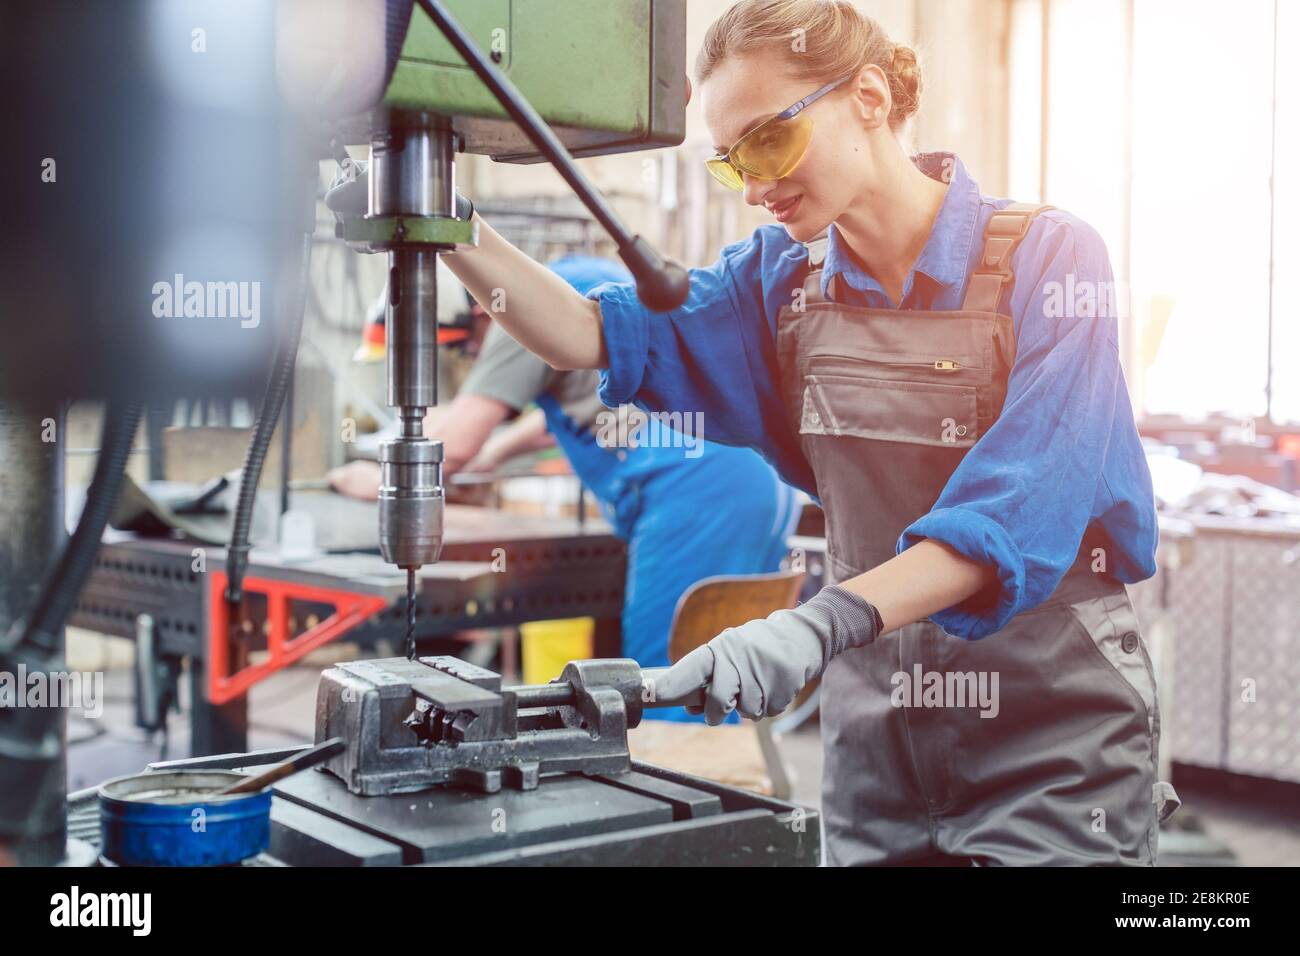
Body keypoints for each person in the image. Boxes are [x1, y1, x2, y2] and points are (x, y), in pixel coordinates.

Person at [435, 0, 1178, 865]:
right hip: (876, 741)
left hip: (1052, 735)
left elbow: (1012, 516)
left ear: (867, 96)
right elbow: (584, 332)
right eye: (729, 163)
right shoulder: (779, 283)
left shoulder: (1051, 260)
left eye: (767, 142)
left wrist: (816, 627)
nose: (753, 186)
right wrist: (438, 208)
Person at [331, 254, 801, 723]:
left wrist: (377, 482)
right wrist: (495, 453)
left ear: (476, 311)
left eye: (465, 348)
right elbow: (558, 415)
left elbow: (456, 442)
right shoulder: (577, 279)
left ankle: (677, 783)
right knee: (723, 666)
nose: (476, 357)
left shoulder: (518, 304)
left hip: (695, 495)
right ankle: (729, 781)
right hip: (753, 478)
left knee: (671, 679)